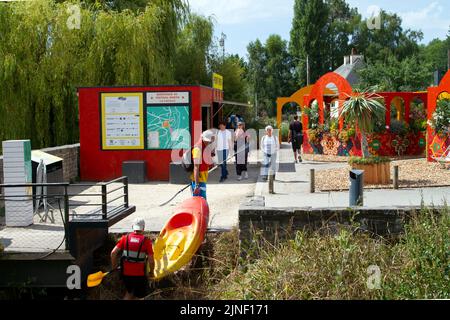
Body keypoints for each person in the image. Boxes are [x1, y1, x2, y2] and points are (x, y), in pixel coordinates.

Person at [110, 218, 154, 300]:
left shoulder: (125, 238)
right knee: (138, 296)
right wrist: (151, 272)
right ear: (143, 228)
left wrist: (114, 268)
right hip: (139, 274)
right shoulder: (146, 241)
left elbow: (113, 253)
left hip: (126, 273)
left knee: (129, 293)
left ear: (132, 227)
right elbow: (151, 260)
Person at [191, 129, 216, 199]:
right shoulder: (197, 149)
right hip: (199, 180)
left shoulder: (205, 146)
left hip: (203, 178)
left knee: (202, 199)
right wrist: (196, 185)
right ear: (202, 138)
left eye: (209, 141)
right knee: (200, 200)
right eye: (207, 141)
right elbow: (196, 168)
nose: (208, 142)